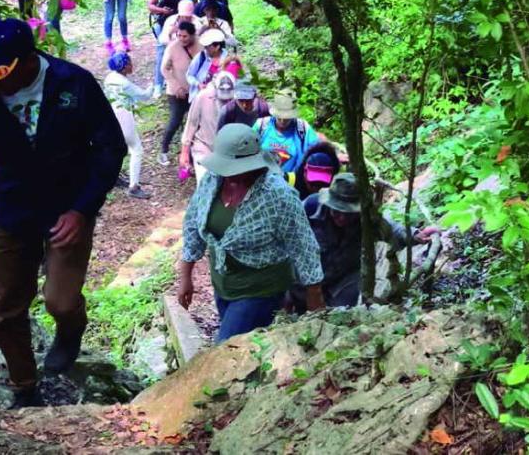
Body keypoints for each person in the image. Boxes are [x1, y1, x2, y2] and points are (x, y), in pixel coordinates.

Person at [0, 18, 127, 409]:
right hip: (14, 210)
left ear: (28, 61)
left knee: (61, 302)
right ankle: (24, 386)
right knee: (7, 307)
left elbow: (109, 147)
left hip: (67, 209)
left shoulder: (73, 83)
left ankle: (71, 331)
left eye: (4, 74)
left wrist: (82, 210)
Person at [178, 124, 325, 342]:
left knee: (226, 351)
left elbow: (303, 246)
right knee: (243, 346)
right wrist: (185, 277)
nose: (233, 175)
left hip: (261, 290)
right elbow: (192, 223)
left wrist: (315, 302)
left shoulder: (278, 196)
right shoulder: (212, 181)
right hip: (224, 285)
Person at [289, 173, 439, 312]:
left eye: (347, 213)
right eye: (336, 210)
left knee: (339, 316)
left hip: (341, 282)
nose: (341, 217)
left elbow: (390, 228)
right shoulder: (309, 207)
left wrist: (415, 235)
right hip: (303, 281)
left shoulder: (366, 218)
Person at [103, 52, 152, 199]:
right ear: (124, 67)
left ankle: (112, 177)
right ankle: (134, 186)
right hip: (124, 116)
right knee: (136, 149)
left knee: (115, 149)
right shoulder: (124, 83)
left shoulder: (109, 78)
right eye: (129, 62)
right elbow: (144, 96)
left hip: (111, 116)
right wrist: (153, 86)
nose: (132, 64)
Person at [180, 71, 237, 186]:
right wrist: (184, 152)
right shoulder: (203, 96)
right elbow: (191, 123)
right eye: (223, 99)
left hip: (226, 151)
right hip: (203, 146)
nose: (226, 101)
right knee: (204, 185)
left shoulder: (238, 101)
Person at [159, 21, 202, 166]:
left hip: (195, 91)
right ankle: (164, 150)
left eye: (185, 36)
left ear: (192, 35)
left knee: (195, 123)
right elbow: (164, 69)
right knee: (175, 121)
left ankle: (191, 153)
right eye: (179, 35)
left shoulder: (200, 46)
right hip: (176, 92)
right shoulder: (172, 47)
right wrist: (176, 86)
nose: (182, 39)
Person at [148, 0, 191, 97]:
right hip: (162, 23)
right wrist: (161, 10)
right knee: (162, 51)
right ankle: (158, 84)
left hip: (179, 26)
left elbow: (191, 4)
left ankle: (177, 81)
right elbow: (150, 5)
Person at [253, 88, 319, 173]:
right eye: (280, 116)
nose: (283, 120)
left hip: (292, 182)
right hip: (262, 179)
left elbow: (318, 150)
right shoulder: (261, 125)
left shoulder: (302, 129)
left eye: (287, 117)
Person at [186, 28, 229, 103]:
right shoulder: (201, 57)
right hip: (198, 99)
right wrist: (198, 84)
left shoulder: (228, 61)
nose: (205, 49)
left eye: (208, 47)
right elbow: (189, 75)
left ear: (217, 47)